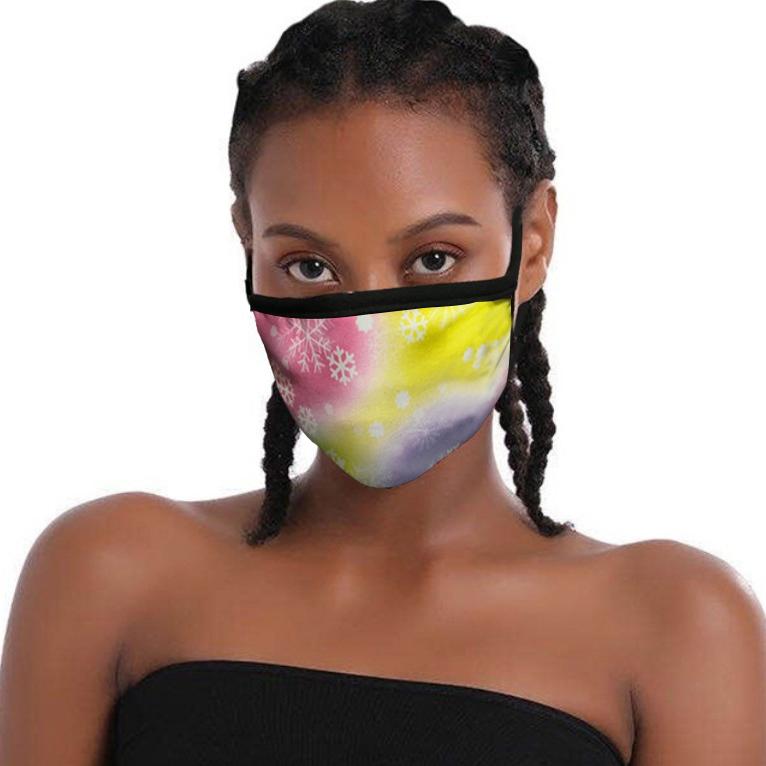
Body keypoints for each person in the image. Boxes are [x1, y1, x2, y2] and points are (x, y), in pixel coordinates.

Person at [1, 0, 764, 763]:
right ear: (248, 246)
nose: (368, 329)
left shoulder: (679, 628)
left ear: (532, 243)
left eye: (433, 259)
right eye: (310, 266)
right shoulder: (109, 573)